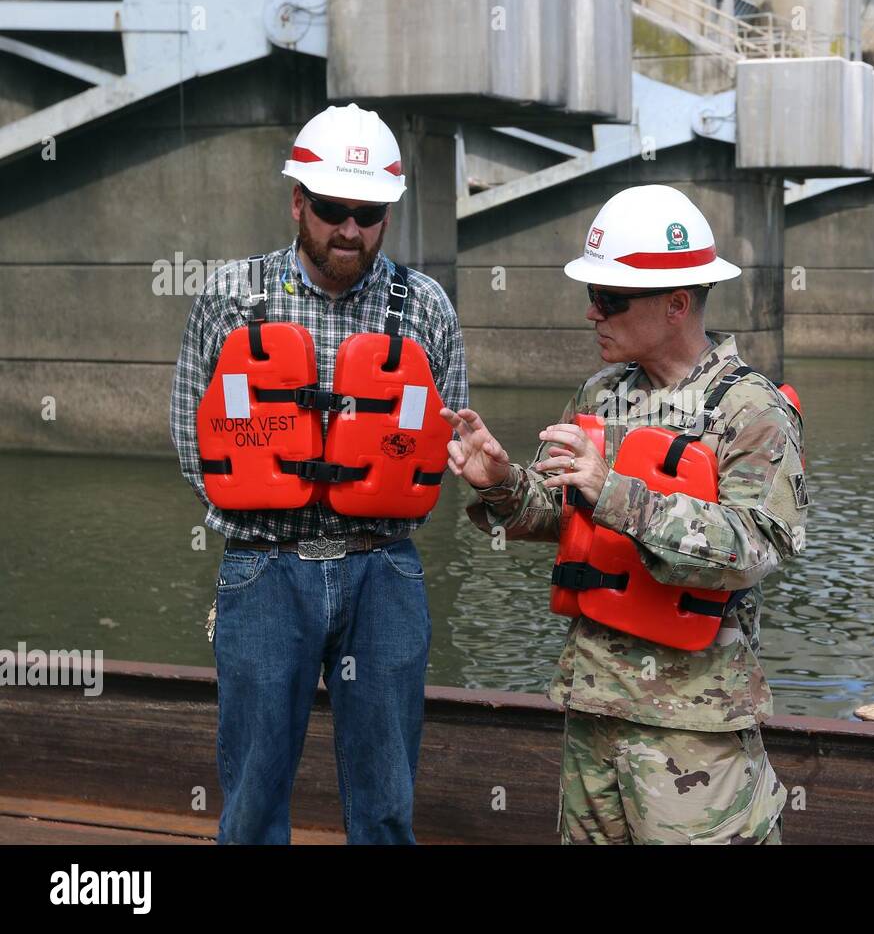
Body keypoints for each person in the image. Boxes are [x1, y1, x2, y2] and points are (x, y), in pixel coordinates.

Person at [442, 184, 807, 844]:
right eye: (593, 296)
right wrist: (500, 483)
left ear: (675, 305)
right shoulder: (599, 393)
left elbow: (757, 550)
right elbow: (560, 516)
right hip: (592, 707)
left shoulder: (749, 410)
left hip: (692, 731)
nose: (592, 313)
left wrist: (615, 492)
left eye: (610, 298)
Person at [169, 103, 467, 844]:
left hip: (384, 572)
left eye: (369, 214)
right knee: (252, 801)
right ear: (298, 200)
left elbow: (446, 437)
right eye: (332, 208)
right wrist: (262, 500)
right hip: (264, 570)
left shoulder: (425, 308)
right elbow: (190, 434)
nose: (349, 229)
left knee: (387, 801)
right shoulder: (230, 298)